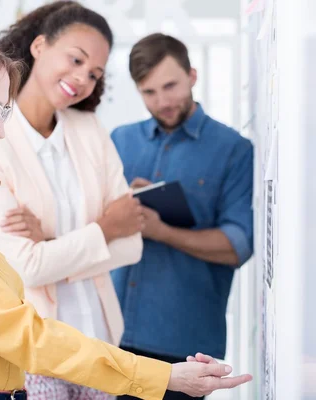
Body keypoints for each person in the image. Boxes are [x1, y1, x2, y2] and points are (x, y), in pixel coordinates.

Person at [0, 29, 252, 400]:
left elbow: (125, 246)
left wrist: (52, 243)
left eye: (3, 113)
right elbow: (24, 317)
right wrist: (162, 375)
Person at [0, 3, 142, 399]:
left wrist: (52, 245)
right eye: (75, 59)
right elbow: (27, 270)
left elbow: (131, 244)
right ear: (39, 46)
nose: (82, 78)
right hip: (37, 351)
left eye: (94, 73)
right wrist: (103, 230)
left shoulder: (89, 129)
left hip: (101, 345)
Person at [110, 33, 254, 400]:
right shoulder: (120, 141)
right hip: (110, 337)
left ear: (193, 75)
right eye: (149, 92)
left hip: (183, 344)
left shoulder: (234, 150)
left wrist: (162, 230)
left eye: (170, 86)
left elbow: (237, 246)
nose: (162, 101)